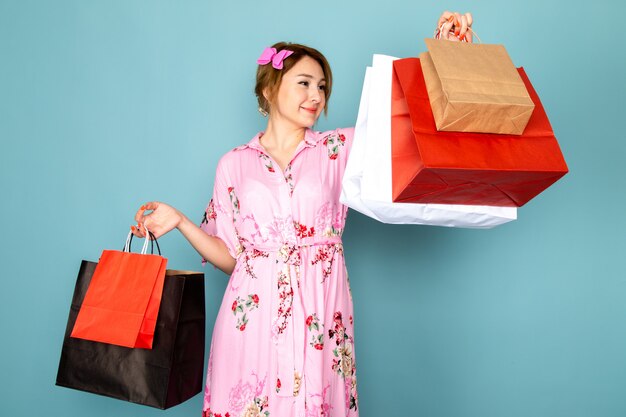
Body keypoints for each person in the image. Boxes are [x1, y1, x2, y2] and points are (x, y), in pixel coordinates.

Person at [131, 11, 473, 417]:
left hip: (321, 311)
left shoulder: (340, 148)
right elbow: (232, 259)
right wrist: (181, 222)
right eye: (305, 83)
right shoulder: (233, 165)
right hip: (251, 321)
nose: (317, 96)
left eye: (322, 87)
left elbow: (411, 125)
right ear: (271, 88)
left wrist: (446, 56)